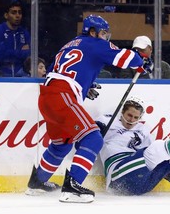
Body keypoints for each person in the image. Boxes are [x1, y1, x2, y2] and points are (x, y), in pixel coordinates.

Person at [24, 14, 153, 203]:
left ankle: (37, 182)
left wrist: (86, 85)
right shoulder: (95, 43)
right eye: (102, 33)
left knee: (62, 144)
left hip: (47, 97)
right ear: (91, 32)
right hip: (63, 96)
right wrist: (141, 59)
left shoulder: (69, 46)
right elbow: (127, 59)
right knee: (93, 138)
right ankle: (73, 187)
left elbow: (59, 71)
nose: (104, 37)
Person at [0, 1, 31, 77]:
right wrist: (20, 52)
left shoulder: (24, 33)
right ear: (6, 15)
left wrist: (7, 51)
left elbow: (29, 55)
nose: (17, 16)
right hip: (0, 74)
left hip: (21, 74)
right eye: (14, 13)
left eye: (19, 12)